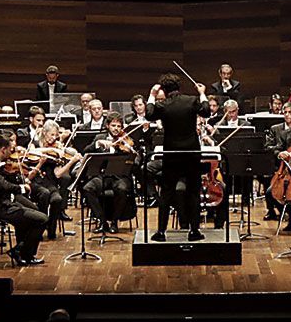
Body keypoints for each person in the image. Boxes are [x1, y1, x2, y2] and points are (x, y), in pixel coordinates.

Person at [145, 74, 211, 241]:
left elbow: (149, 114)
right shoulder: (191, 101)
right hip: (191, 153)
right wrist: (202, 92)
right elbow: (206, 111)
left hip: (172, 154)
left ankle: (161, 232)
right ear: (179, 87)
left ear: (164, 90)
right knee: (193, 192)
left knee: (166, 192)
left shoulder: (163, 105)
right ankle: (194, 231)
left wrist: (152, 95)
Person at [0, 133, 48, 266]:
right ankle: (21, 251)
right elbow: (3, 185)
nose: (11, 153)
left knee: (32, 217)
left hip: (6, 204)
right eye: (10, 150)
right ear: (3, 149)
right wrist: (22, 187)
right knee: (42, 219)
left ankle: (23, 253)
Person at [82, 115, 137, 234]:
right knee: (88, 188)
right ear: (107, 126)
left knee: (122, 189)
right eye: (113, 125)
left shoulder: (126, 139)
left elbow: (137, 160)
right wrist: (97, 143)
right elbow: (85, 152)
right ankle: (102, 221)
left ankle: (115, 222)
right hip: (101, 176)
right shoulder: (99, 137)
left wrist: (130, 152)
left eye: (119, 126)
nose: (116, 128)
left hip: (119, 176)